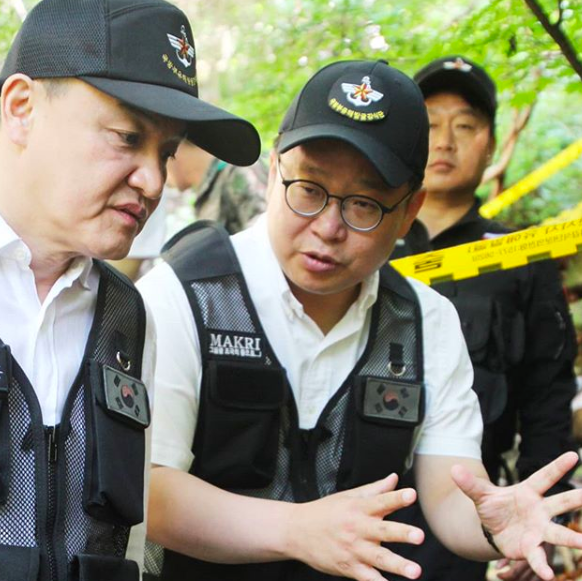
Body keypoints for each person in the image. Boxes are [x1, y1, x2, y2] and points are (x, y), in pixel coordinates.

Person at [138, 59, 582, 581]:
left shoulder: (426, 321)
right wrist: (298, 528)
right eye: (308, 189)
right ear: (276, 168)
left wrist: (491, 525)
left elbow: (447, 490)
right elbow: (150, 487)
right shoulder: (184, 295)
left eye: (365, 204)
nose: (328, 227)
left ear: (408, 210)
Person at [0, 0, 260, 579]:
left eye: (166, 152)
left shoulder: (127, 318)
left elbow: (130, 537)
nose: (154, 180)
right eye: (126, 137)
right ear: (22, 108)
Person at [388, 55, 578, 581]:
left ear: (491, 143)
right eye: (429, 126)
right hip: (353, 504)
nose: (445, 141)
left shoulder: (522, 257)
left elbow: (547, 395)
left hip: (468, 514)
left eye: (465, 125)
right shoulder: (362, 237)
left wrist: (542, 506)